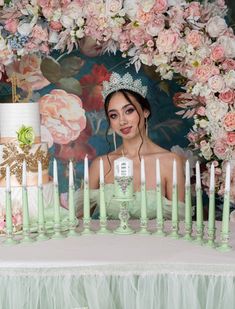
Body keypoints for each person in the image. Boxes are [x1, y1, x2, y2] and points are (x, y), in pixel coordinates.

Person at [79, 72, 185, 219]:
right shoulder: (101, 165)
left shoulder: (170, 162)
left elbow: (178, 225)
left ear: (145, 111)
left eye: (129, 111)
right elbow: (78, 222)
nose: (122, 121)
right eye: (114, 115)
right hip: (110, 242)